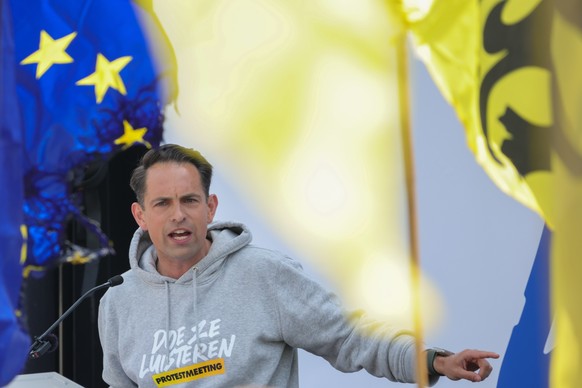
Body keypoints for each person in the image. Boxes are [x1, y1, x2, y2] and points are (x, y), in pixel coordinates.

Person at [98, 144, 499, 387]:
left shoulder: (265, 275)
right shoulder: (118, 299)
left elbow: (350, 339)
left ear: (211, 207)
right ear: (140, 216)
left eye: (189, 200)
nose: (178, 215)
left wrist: (434, 360)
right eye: (162, 204)